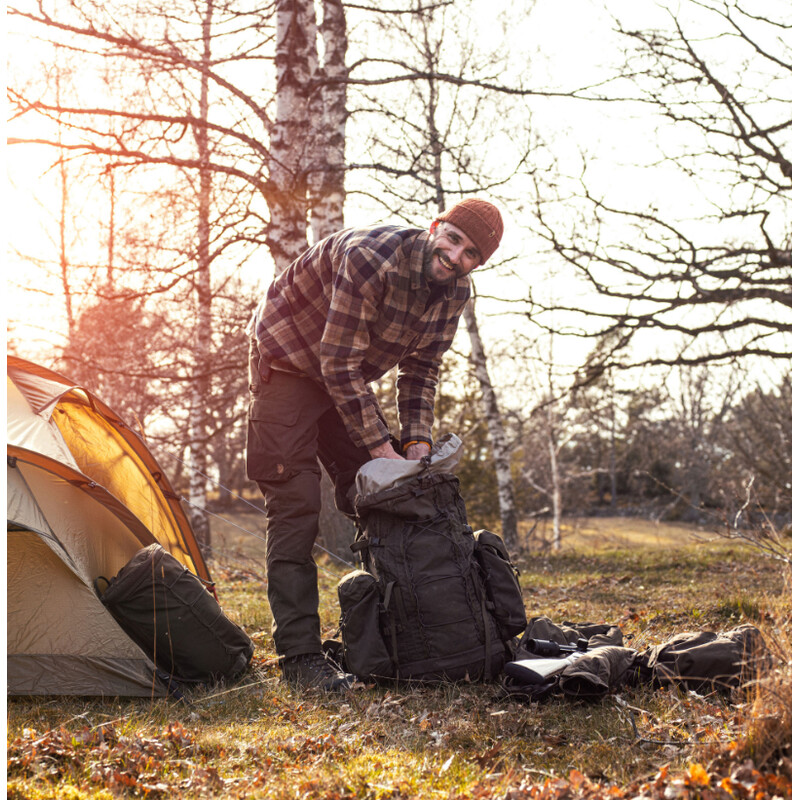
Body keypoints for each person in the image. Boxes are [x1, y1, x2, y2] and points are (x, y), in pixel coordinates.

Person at [246, 198, 504, 690]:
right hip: (286, 364)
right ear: (436, 227)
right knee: (296, 504)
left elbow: (422, 370)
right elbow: (337, 363)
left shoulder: (455, 295)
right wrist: (381, 449)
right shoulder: (372, 257)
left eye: (470, 253)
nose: (455, 257)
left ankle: (406, 636)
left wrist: (415, 445)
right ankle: (300, 659)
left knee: (383, 496)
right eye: (452, 240)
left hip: (345, 377)